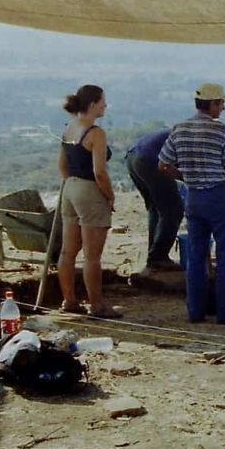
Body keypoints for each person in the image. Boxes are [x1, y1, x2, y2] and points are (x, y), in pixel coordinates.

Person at [158, 83, 225, 325]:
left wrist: (186, 176)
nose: (224, 107)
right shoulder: (221, 131)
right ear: (212, 104)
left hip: (193, 195)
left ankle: (195, 311)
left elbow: (163, 165)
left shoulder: (179, 129)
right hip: (216, 194)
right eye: (221, 103)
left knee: (196, 255)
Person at [57, 84, 120, 318]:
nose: (105, 105)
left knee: (67, 251)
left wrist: (71, 185)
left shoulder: (70, 128)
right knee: (92, 256)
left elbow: (62, 165)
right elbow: (100, 172)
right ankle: (96, 305)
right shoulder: (95, 133)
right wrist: (109, 195)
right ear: (93, 104)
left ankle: (69, 301)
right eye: (103, 100)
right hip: (89, 190)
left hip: (70, 187)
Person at [125, 127, 184, 271]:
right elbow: (169, 167)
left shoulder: (179, 133)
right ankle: (159, 256)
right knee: (173, 209)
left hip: (133, 157)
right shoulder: (190, 140)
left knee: (156, 208)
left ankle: (154, 255)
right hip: (149, 160)